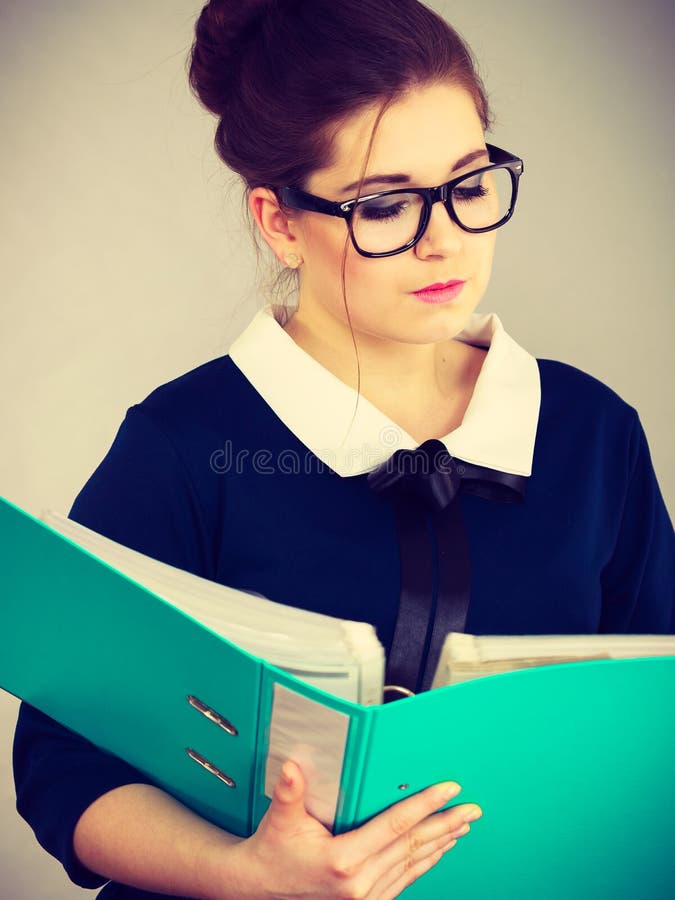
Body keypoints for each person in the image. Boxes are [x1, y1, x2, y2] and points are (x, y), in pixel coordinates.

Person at [13, 1, 674, 898]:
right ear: (279, 221)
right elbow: (61, 763)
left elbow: (651, 732)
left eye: (470, 185)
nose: (443, 239)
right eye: (384, 204)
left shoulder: (592, 432)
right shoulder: (186, 445)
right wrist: (240, 873)